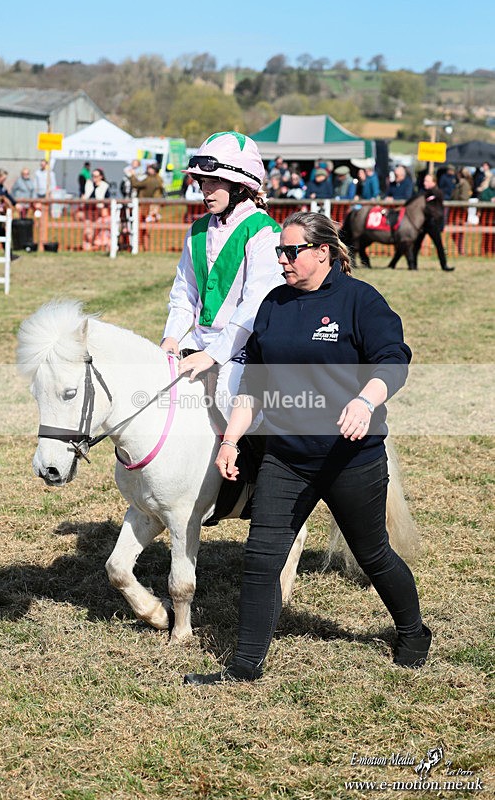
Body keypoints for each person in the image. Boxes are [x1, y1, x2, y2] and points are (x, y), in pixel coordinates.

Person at [184, 211, 431, 686]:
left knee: (373, 553)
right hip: (285, 457)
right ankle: (244, 666)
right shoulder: (273, 304)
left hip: (349, 458)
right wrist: (232, 439)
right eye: (280, 251)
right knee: (260, 557)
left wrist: (365, 400)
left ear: (323, 252)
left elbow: (393, 361)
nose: (282, 260)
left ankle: (413, 632)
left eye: (291, 251)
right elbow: (253, 383)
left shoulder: (360, 300)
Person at [160, 130, 284, 424]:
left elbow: (254, 305)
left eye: (215, 181)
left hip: (246, 344)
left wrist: (212, 356)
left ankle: (258, 467)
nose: (206, 190)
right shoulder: (197, 230)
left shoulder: (265, 231)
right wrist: (171, 338)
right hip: (201, 339)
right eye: (203, 182)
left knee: (229, 398)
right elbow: (184, 293)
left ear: (241, 186)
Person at [412, 173, 454, 272]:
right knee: (416, 245)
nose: (424, 182)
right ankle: (413, 265)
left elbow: (433, 209)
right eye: (424, 180)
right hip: (423, 223)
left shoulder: (437, 193)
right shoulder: (423, 192)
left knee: (438, 245)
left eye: (427, 181)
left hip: (432, 223)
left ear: (433, 182)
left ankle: (444, 265)